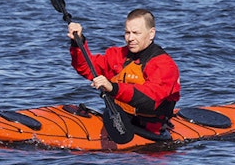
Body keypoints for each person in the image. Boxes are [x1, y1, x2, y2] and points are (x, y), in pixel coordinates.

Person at [67, 8, 180, 139]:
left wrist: (113, 88)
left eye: (136, 33)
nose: (130, 38)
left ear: (151, 33)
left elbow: (150, 99)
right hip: (120, 121)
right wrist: (77, 41)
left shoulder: (164, 65)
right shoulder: (118, 55)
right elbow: (86, 67)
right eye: (127, 33)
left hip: (151, 133)